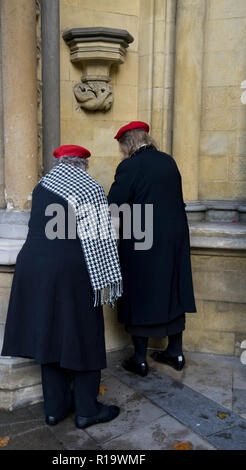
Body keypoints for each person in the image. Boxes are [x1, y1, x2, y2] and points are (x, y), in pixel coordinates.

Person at [1, 145, 122, 429]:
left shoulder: (42, 185)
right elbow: (100, 239)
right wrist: (107, 273)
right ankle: (87, 410)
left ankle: (55, 409)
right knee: (85, 333)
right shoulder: (89, 187)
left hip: (32, 266)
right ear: (83, 164)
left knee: (48, 331)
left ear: (60, 163)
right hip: (70, 270)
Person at [108, 121, 196, 376]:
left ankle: (139, 359)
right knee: (173, 289)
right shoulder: (168, 161)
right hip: (175, 237)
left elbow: (115, 203)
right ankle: (175, 352)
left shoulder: (130, 165)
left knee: (140, 292)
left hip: (142, 237)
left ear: (127, 143)